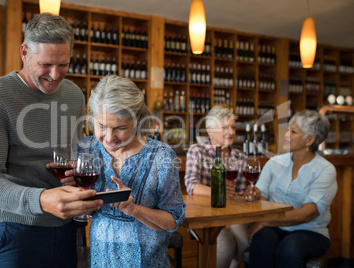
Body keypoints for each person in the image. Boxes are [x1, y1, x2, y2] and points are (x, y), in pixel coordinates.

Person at [0, 13, 103, 267]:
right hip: (14, 232)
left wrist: (74, 174)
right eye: (45, 65)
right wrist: (41, 200)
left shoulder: (74, 94)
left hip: (66, 230)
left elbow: (71, 154)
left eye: (63, 65)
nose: (55, 75)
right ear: (24, 52)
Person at [75, 75, 185, 267]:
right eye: (101, 126)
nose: (109, 137)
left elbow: (172, 220)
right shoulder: (88, 147)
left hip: (147, 261)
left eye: (120, 128)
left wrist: (135, 210)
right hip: (101, 259)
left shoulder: (161, 156)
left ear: (138, 121)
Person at [246, 110, 337, 268]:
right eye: (288, 129)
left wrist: (265, 221)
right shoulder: (275, 162)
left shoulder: (325, 170)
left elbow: (308, 213)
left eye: (293, 131)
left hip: (310, 231)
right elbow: (262, 195)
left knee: (289, 248)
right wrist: (256, 195)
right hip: (275, 227)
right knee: (261, 241)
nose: (286, 134)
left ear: (309, 140)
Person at [184, 105, 249, 268]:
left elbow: (241, 191)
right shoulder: (197, 151)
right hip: (203, 216)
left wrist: (250, 192)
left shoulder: (240, 156)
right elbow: (191, 185)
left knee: (245, 244)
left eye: (233, 127)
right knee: (226, 246)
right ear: (210, 130)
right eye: (225, 127)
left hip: (233, 215)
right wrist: (218, 192)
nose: (231, 132)